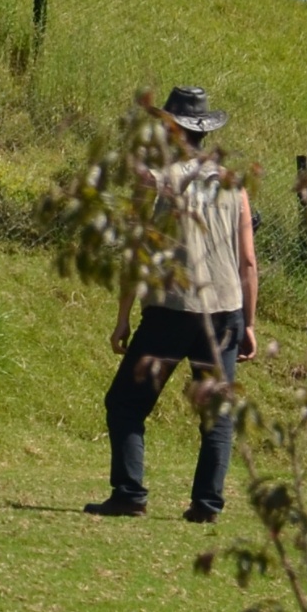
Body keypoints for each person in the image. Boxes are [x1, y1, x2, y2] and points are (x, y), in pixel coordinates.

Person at [88, 85, 256, 522]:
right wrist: (249, 323)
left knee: (126, 402)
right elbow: (249, 261)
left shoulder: (155, 181)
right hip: (223, 312)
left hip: (170, 311)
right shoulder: (234, 185)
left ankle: (130, 493)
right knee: (217, 415)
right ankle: (206, 505)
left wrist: (123, 318)